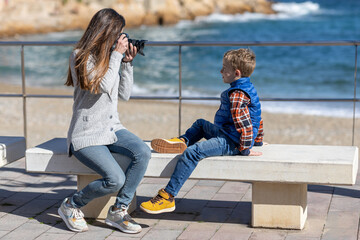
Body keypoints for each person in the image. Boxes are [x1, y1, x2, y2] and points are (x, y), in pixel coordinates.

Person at [58, 8, 151, 234]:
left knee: (143, 152)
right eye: (117, 34)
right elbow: (103, 87)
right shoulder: (80, 56)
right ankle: (71, 205)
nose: (120, 39)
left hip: (111, 128)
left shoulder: (111, 57)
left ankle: (118, 211)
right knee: (115, 179)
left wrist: (127, 63)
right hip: (86, 134)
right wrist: (117, 56)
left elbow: (124, 94)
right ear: (105, 31)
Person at [140, 48, 264, 214]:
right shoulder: (246, 87)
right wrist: (258, 140)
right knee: (200, 124)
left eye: (224, 69)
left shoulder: (237, 95)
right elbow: (258, 117)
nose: (221, 71)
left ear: (236, 72)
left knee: (192, 153)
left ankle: (168, 197)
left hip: (232, 143)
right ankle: (181, 141)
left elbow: (246, 125)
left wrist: (245, 149)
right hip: (228, 134)